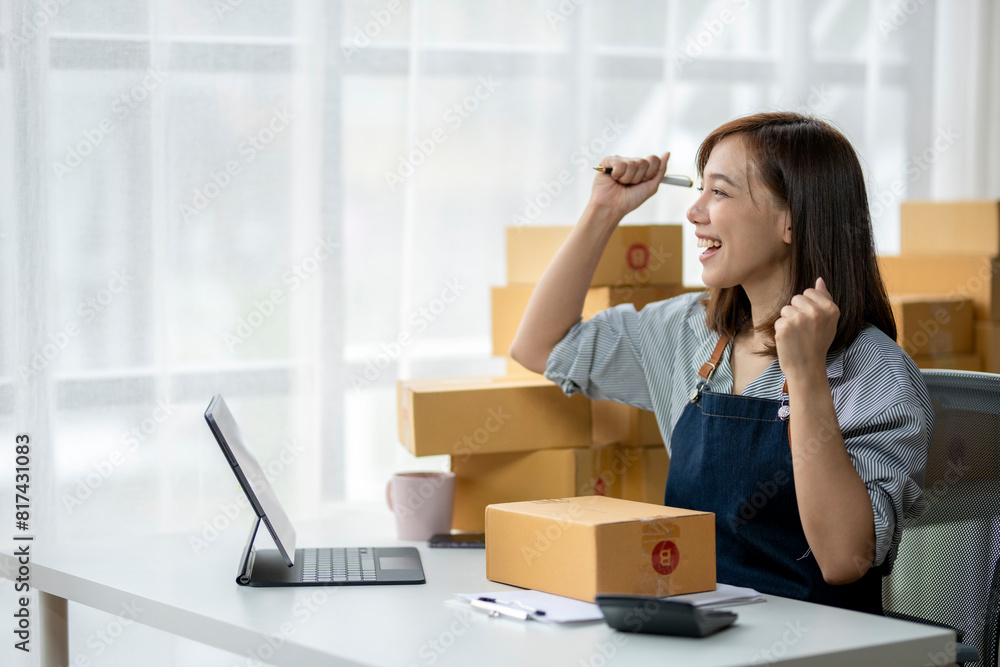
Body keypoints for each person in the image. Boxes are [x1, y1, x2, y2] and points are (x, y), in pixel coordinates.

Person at [509, 112, 931, 614]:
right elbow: (541, 347)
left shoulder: (876, 372)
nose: (694, 212)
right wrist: (603, 211)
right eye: (700, 189)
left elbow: (845, 558)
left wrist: (805, 377)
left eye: (721, 192)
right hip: (700, 629)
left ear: (791, 219)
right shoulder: (689, 333)